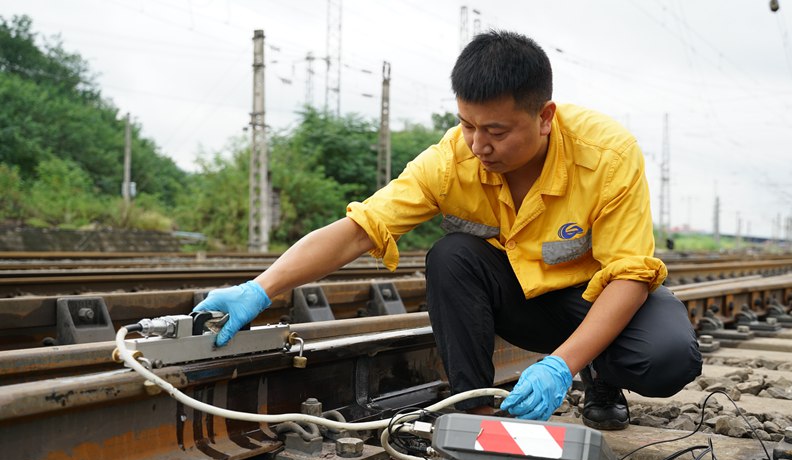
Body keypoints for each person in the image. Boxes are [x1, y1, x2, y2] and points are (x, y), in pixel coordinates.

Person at [194, 30, 702, 429]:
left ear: (545, 117)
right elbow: (360, 229)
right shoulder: (450, 160)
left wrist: (561, 365)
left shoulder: (607, 154)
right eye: (467, 124)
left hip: (592, 298)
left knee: (668, 358)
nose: (478, 144)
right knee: (452, 255)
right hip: (524, 303)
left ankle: (599, 375)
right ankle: (475, 410)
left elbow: (629, 275)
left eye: (496, 131)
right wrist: (261, 288)